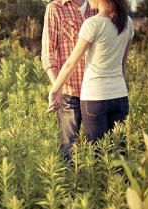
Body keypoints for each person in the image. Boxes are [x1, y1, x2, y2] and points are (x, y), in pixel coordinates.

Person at [46, 0, 134, 145]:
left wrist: (54, 89)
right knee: (120, 152)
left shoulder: (92, 23)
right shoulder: (128, 22)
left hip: (95, 97)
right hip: (120, 96)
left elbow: (70, 64)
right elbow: (122, 65)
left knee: (98, 153)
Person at [41, 0, 97, 162]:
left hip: (96, 93)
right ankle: (69, 185)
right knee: (68, 151)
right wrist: (57, 86)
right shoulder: (55, 8)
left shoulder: (98, 7)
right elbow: (48, 52)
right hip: (69, 92)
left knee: (97, 150)